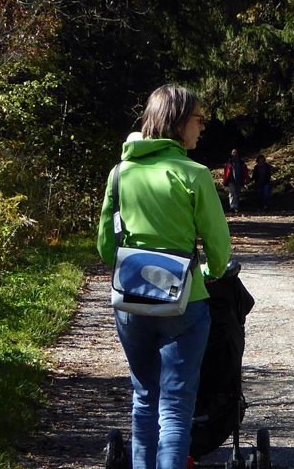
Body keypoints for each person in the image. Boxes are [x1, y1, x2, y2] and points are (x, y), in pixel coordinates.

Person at [97, 84, 231, 469]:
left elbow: (107, 247)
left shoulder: (121, 172)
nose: (203, 127)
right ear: (176, 122)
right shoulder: (194, 174)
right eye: (198, 119)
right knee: (175, 406)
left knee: (144, 399)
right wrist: (214, 272)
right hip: (184, 303)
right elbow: (218, 244)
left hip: (130, 300)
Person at [222, 148, 249, 213]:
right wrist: (225, 180)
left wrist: (246, 179)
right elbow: (226, 172)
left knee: (237, 194)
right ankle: (232, 207)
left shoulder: (241, 162)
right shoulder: (229, 162)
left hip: (239, 180)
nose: (234, 154)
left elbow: (245, 171)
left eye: (235, 152)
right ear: (231, 154)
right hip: (231, 180)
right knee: (232, 193)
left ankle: (236, 207)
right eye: (233, 152)